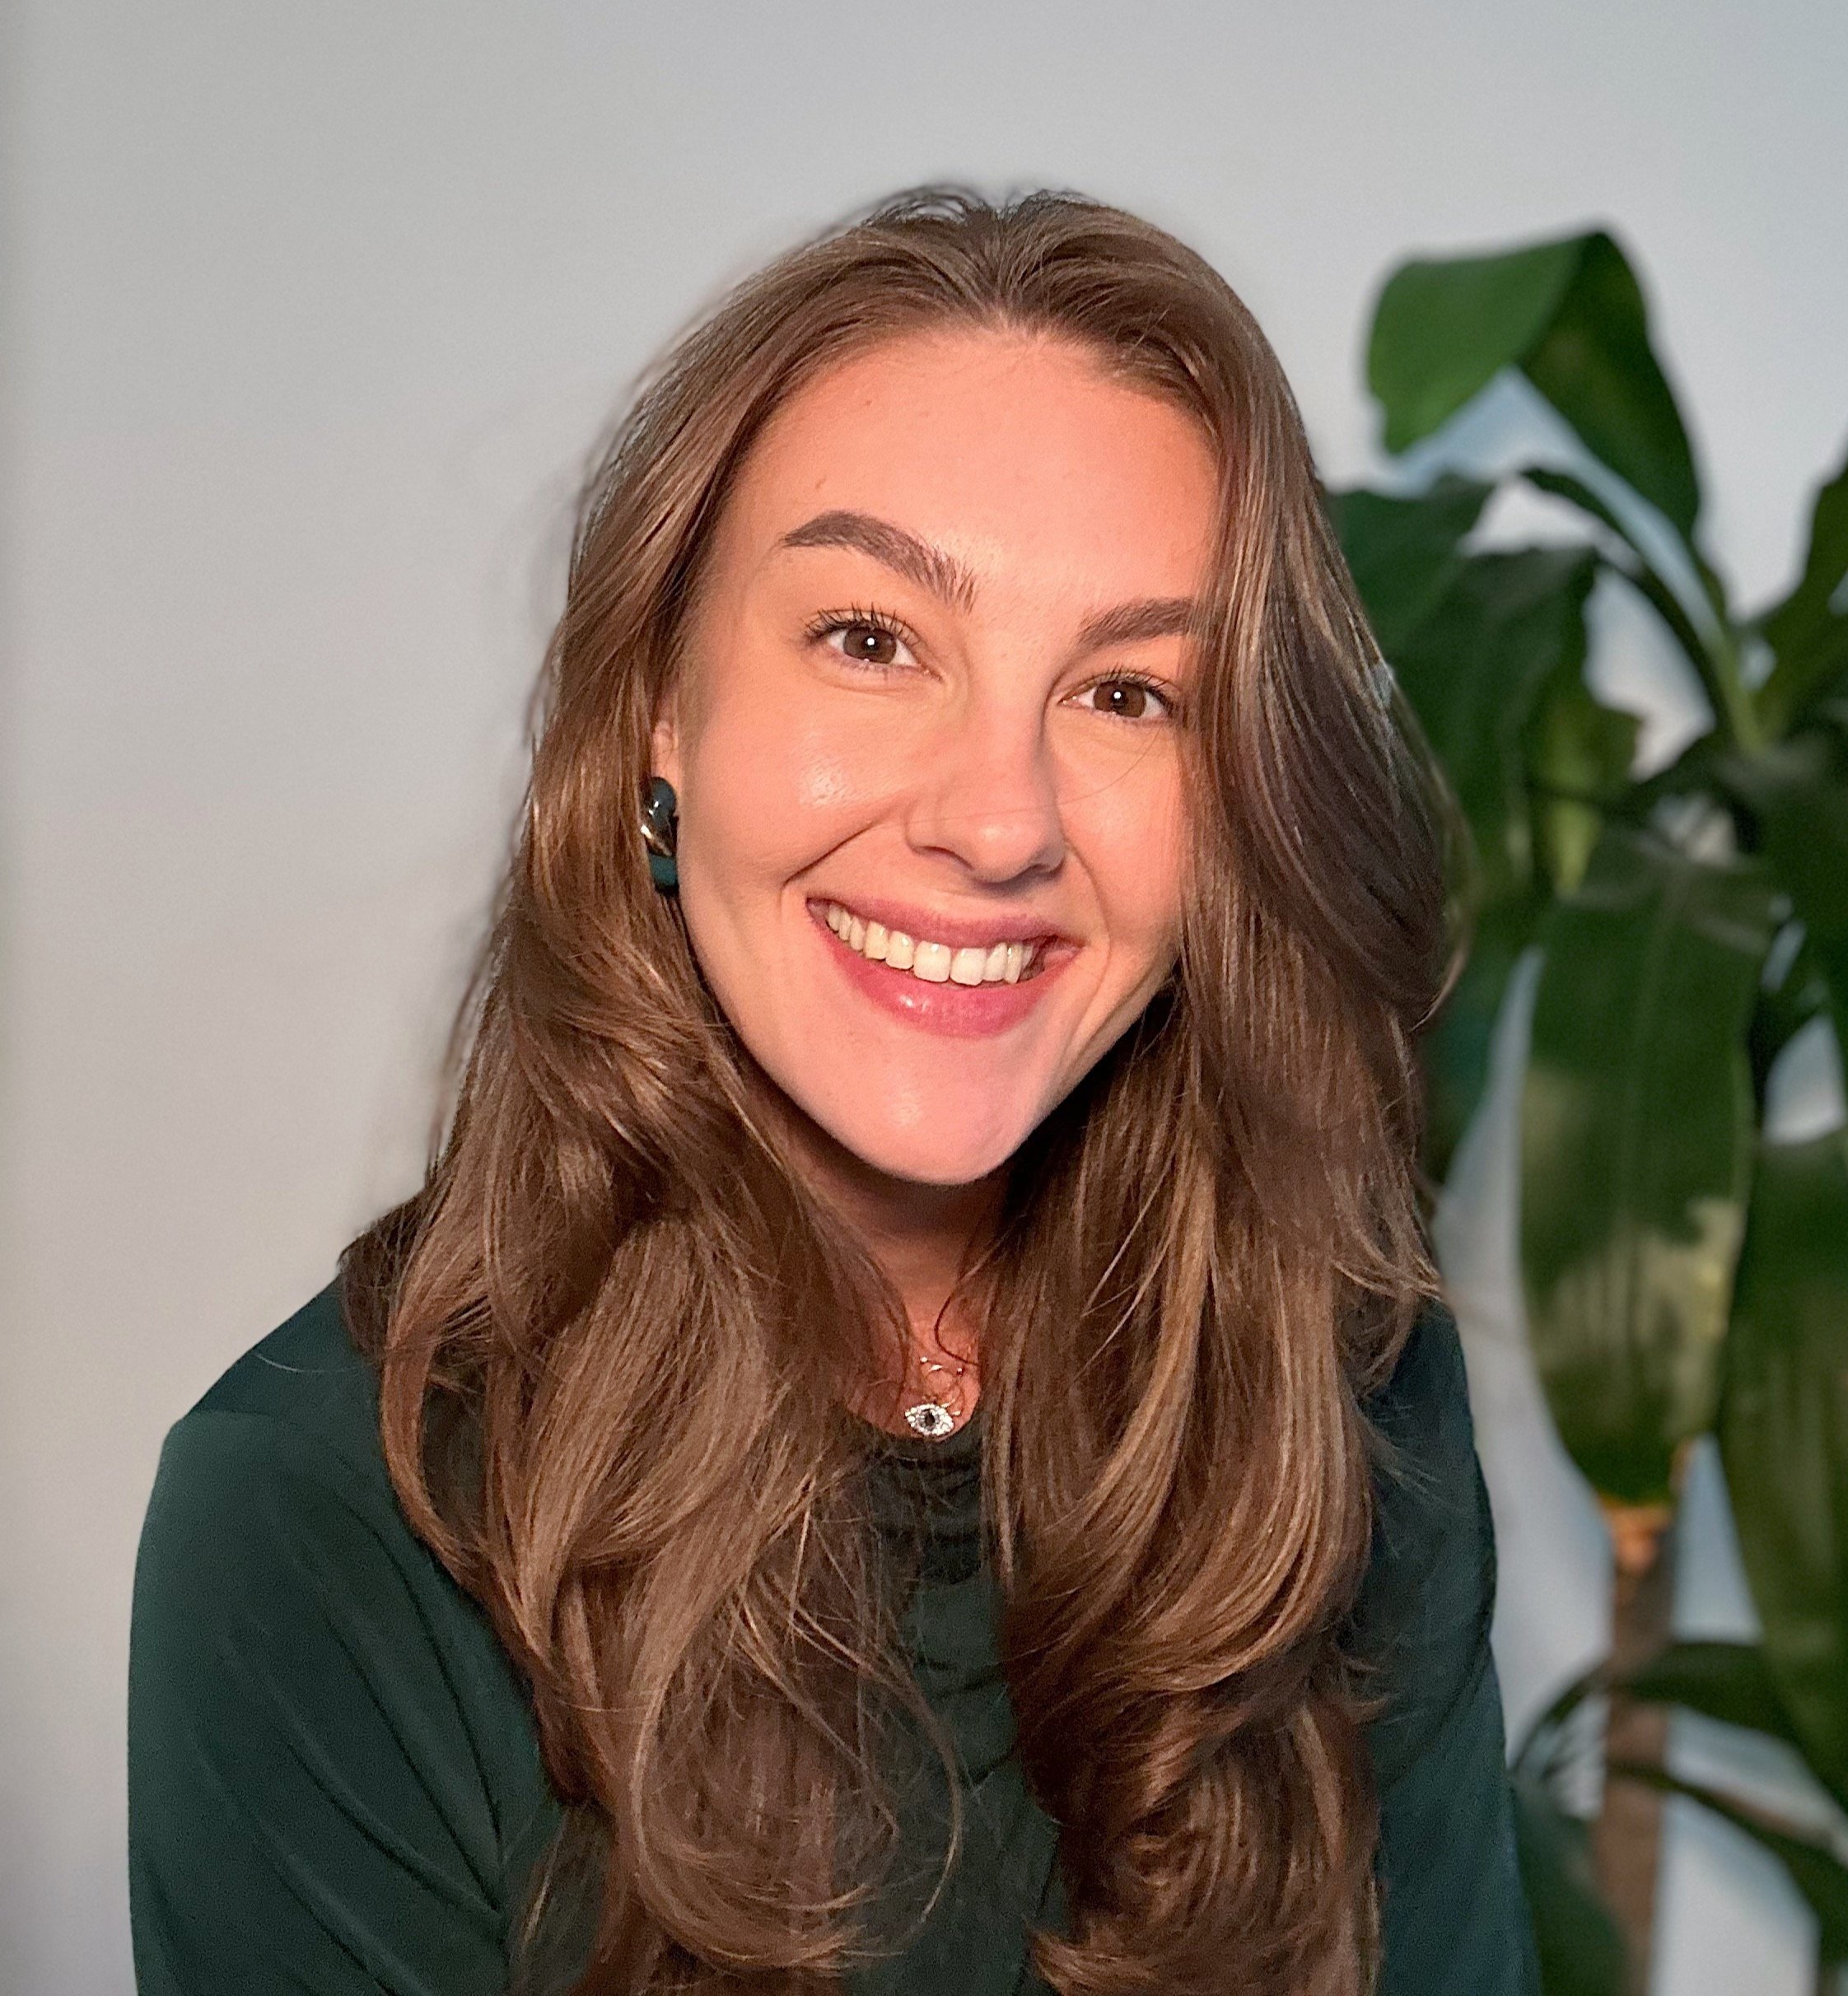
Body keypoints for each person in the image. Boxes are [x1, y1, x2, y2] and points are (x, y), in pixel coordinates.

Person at [128, 187, 1537, 1995]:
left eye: (1129, 694)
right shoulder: (319, 1524)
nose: (999, 821)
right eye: (872, 641)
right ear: (661, 706)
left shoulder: (1345, 1389)